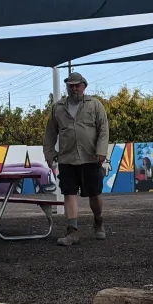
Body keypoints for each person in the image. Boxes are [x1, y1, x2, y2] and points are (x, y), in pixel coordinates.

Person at [43, 71, 110, 246]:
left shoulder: (95, 105)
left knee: (94, 194)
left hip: (90, 158)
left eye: (77, 85)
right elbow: (50, 133)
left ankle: (98, 220)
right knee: (69, 193)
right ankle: (72, 231)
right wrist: (49, 154)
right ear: (67, 87)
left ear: (84, 86)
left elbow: (103, 129)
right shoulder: (58, 108)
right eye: (70, 85)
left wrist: (102, 150)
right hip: (67, 159)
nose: (74, 89)